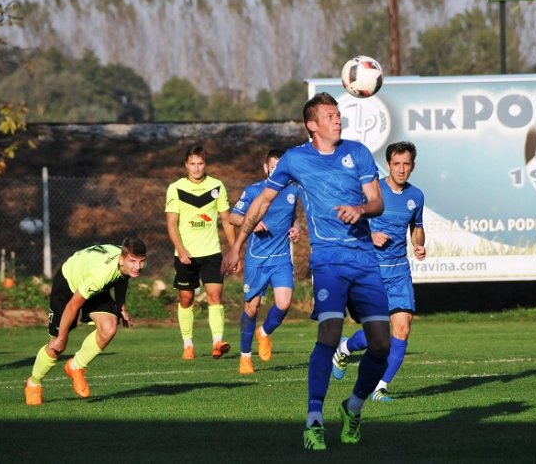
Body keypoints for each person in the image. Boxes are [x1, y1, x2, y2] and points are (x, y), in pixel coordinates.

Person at [222, 92, 390, 451]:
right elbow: (262, 202)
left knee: (381, 344)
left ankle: (354, 407)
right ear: (312, 125)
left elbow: (377, 201)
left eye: (338, 114)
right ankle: (313, 420)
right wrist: (237, 245)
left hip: (364, 260)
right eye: (330, 115)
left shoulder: (357, 152)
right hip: (328, 260)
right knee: (329, 335)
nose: (338, 119)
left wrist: (361, 209)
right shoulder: (295, 160)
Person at [331, 141, 426, 402]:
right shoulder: (373, 192)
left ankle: (380, 387)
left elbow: (417, 227)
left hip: (399, 272)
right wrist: (370, 234)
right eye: (397, 163)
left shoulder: (416, 196)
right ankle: (345, 348)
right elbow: (347, 223)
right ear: (388, 165)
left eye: (407, 164)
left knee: (402, 328)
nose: (402, 169)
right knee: (379, 335)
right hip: (371, 271)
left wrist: (418, 243)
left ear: (413, 166)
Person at [24, 237, 147, 405]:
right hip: (69, 282)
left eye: (141, 262)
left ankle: (76, 366)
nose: (137, 266)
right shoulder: (101, 274)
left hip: (91, 281)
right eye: (133, 261)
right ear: (122, 258)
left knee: (109, 328)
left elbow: (121, 279)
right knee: (56, 346)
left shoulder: (125, 263)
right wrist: (61, 337)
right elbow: (72, 306)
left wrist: (121, 306)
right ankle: (33, 383)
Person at [229, 149, 301, 375]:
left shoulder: (292, 190)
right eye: (273, 166)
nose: (276, 170)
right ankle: (245, 357)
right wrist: (251, 222)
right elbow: (233, 216)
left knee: (284, 303)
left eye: (281, 167)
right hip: (257, 260)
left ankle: (264, 333)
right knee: (251, 308)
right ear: (265, 168)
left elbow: (294, 216)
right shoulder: (253, 191)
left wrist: (296, 227)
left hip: (281, 258)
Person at [166, 145, 237, 360]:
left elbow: (226, 220)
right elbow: (171, 223)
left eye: (200, 163)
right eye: (192, 164)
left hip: (212, 253)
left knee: (215, 296)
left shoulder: (217, 186)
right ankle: (188, 344)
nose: (196, 168)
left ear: (205, 164)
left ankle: (217, 342)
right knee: (186, 298)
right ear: (186, 165)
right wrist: (181, 249)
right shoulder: (175, 188)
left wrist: (234, 250)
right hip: (186, 254)